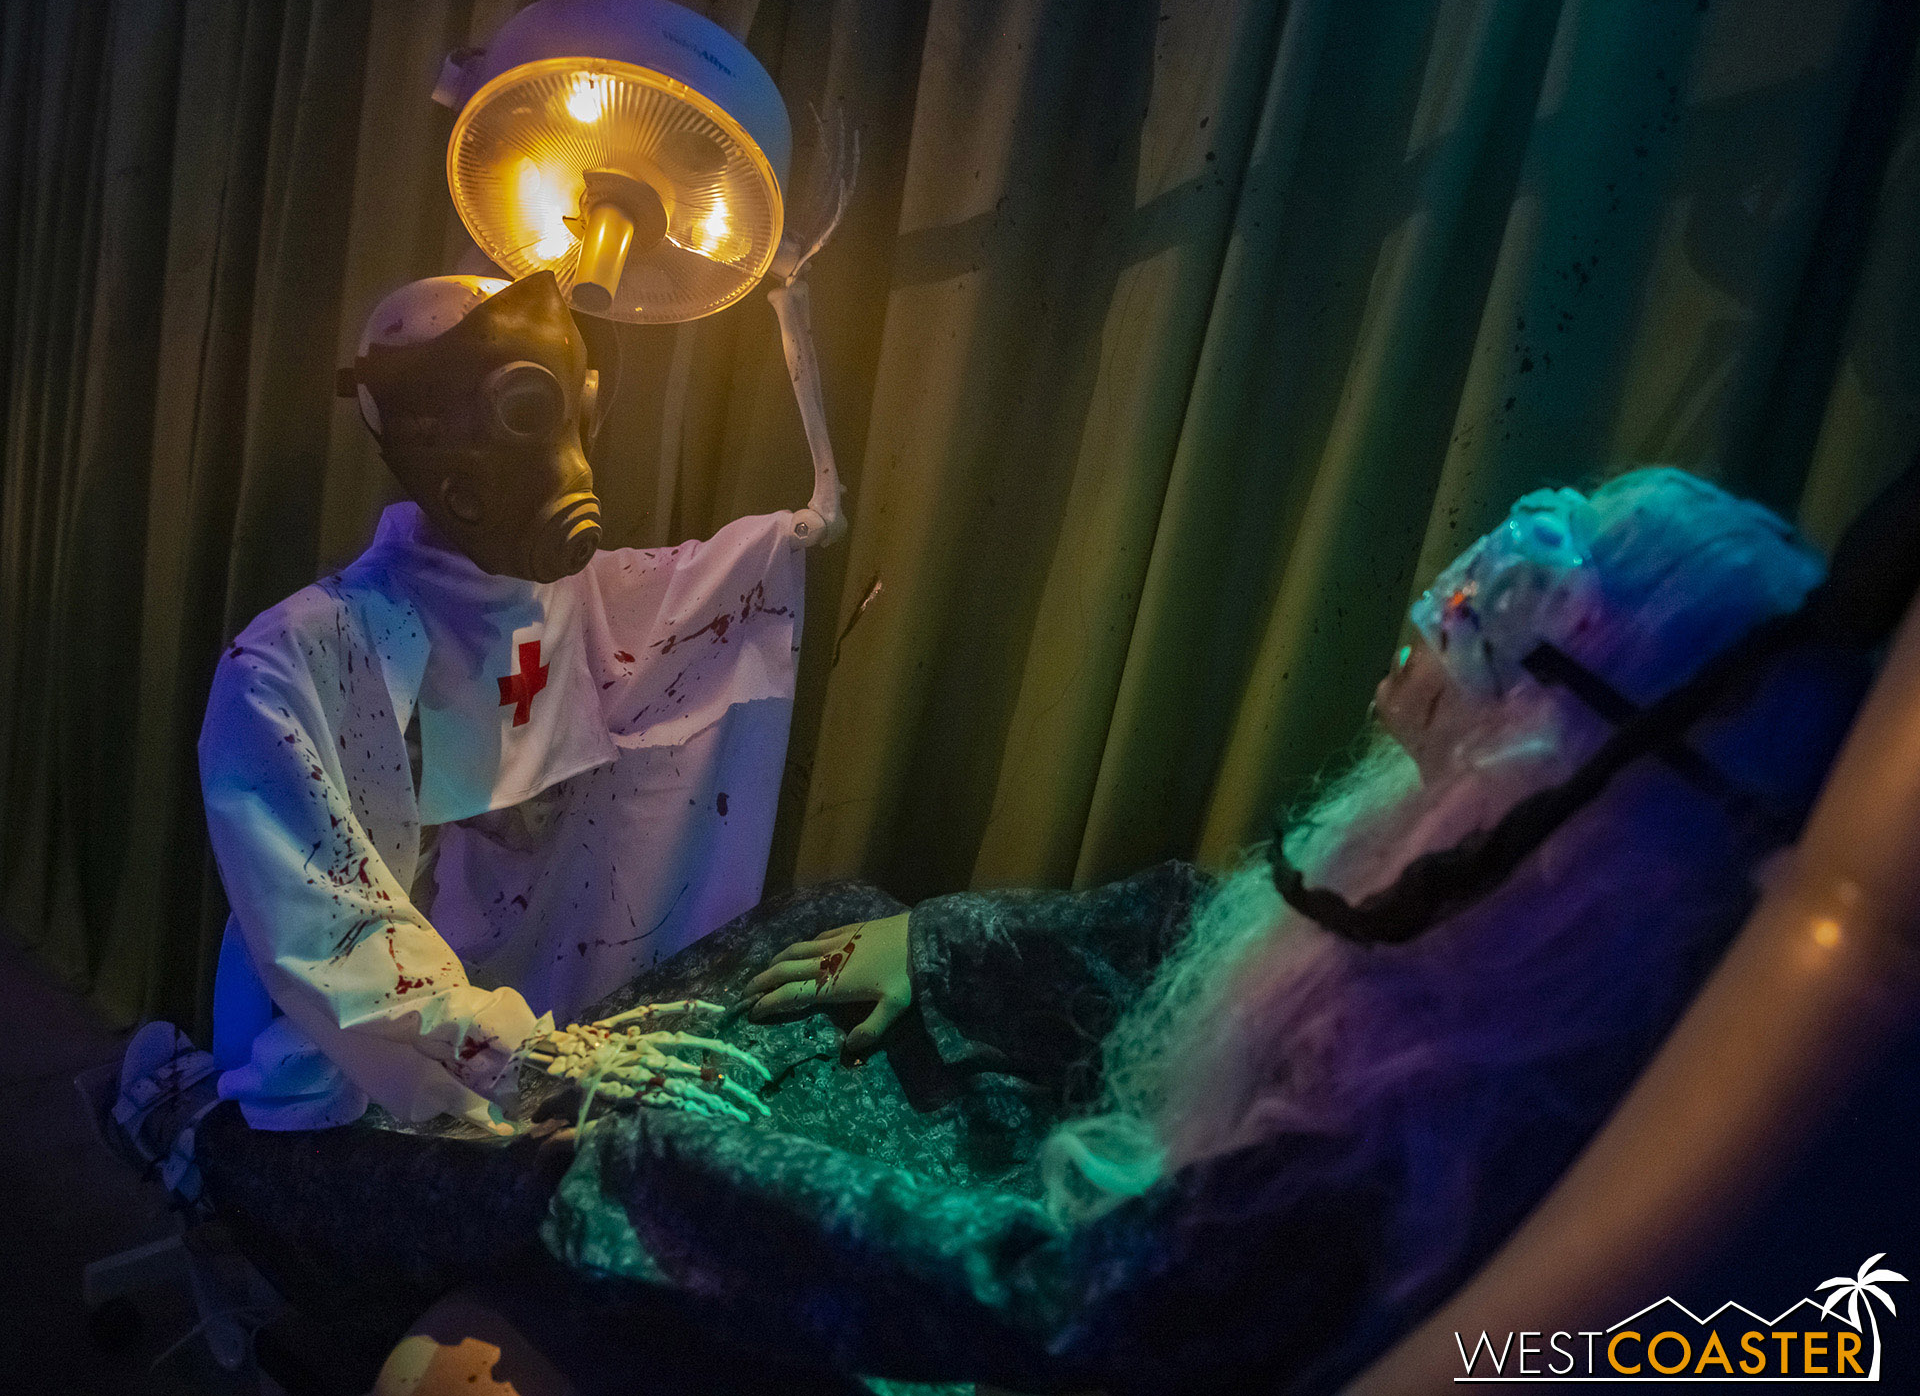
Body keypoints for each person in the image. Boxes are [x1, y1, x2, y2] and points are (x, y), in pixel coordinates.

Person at [162, 467, 1870, 1395]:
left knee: (574, 1131)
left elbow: (1063, 1301)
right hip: (1053, 1177)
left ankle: (204, 1141)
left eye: (1488, 608)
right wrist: (952, 949)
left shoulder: (1418, 1124)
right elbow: (1190, 921)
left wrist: (671, 1163)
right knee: (840, 930)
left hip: (1000, 1273)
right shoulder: (1468, 932)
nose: (1436, 606)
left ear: (1556, 741)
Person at [194, 270, 806, 1135]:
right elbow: (325, 920)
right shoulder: (289, 662)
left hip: (520, 1012)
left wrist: (796, 523)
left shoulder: (573, 602)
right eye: (521, 410)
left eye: (564, 409)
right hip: (346, 1054)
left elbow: (700, 596)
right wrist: (521, 1052)